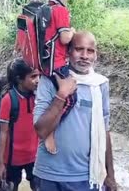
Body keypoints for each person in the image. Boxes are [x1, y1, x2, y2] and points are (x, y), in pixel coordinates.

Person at [34, 31, 117, 191]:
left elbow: (104, 131)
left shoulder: (100, 84)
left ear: (95, 55)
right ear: (68, 51)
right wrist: (62, 94)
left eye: (90, 51)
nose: (85, 56)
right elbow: (41, 130)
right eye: (79, 49)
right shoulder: (51, 80)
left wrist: (110, 175)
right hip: (49, 174)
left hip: (85, 177)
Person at [41, 0, 76, 155]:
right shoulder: (60, 10)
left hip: (44, 63)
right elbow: (64, 38)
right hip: (57, 63)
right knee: (71, 98)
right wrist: (73, 32)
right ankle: (50, 131)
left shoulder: (46, 8)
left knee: (54, 97)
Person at [0, 59, 40, 191]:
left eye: (38, 76)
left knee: (37, 186)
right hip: (12, 158)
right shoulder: (9, 100)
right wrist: (0, 163)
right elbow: (3, 133)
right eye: (33, 77)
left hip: (34, 156)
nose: (38, 80)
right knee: (11, 187)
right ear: (19, 79)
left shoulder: (39, 97)